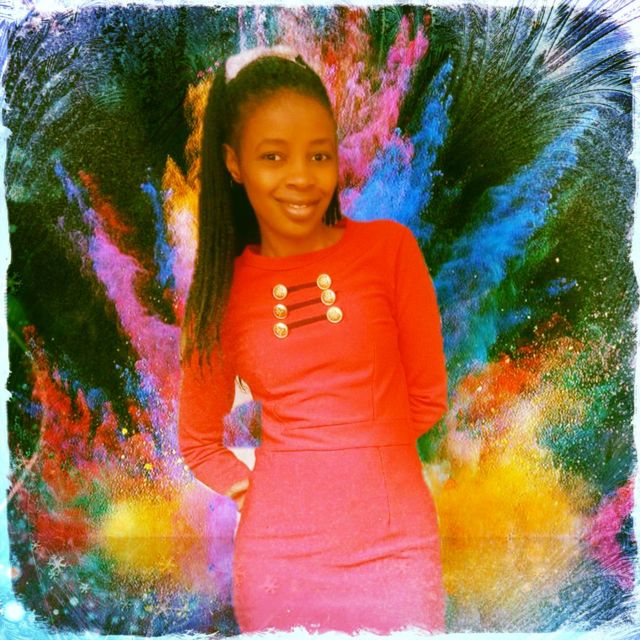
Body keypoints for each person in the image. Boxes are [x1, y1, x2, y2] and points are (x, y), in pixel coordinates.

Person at [177, 44, 449, 635]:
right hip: (278, 563)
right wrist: (265, 489)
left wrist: (355, 464)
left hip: (396, 553)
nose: (302, 177)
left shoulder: (390, 251)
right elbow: (198, 442)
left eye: (319, 155)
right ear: (234, 162)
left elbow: (428, 397)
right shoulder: (220, 291)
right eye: (273, 156)